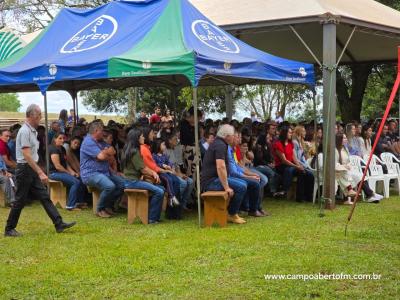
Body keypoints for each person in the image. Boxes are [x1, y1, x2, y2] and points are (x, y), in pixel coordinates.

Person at [4, 104, 76, 237]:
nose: (41, 117)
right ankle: (9, 229)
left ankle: (58, 223)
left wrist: (37, 169)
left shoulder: (32, 130)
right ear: (32, 116)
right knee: (20, 200)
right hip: (25, 169)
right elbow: (26, 155)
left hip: (30, 168)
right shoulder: (25, 131)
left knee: (44, 196)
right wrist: (40, 171)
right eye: (39, 115)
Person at [201, 124, 247, 224]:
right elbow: (220, 166)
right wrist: (226, 187)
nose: (234, 137)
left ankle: (232, 213)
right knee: (241, 186)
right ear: (226, 136)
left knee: (243, 183)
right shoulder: (220, 145)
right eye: (233, 135)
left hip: (214, 179)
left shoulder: (220, 143)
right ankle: (231, 214)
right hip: (210, 182)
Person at [80, 121, 125, 218]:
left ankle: (108, 206)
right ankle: (99, 209)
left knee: (122, 184)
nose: (104, 133)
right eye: (102, 131)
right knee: (110, 186)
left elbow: (113, 150)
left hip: (104, 172)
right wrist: (104, 154)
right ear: (96, 131)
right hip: (90, 173)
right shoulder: (88, 142)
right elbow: (101, 157)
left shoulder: (101, 141)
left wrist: (105, 153)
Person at [122, 128, 165, 224]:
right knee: (159, 191)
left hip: (131, 181)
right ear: (136, 138)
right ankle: (152, 219)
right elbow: (143, 169)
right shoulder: (134, 152)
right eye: (141, 136)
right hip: (132, 182)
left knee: (161, 188)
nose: (143, 137)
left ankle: (153, 216)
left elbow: (142, 168)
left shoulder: (128, 150)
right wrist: (153, 173)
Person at [336, 134, 383, 203]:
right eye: (344, 138)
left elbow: (348, 160)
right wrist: (344, 166)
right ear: (339, 140)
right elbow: (335, 163)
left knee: (360, 175)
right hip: (339, 171)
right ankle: (370, 194)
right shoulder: (335, 150)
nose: (346, 139)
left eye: (346, 138)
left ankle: (370, 195)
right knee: (356, 175)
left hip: (347, 170)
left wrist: (348, 165)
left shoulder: (345, 149)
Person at [273, 126, 314, 202]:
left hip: (291, 165)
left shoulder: (290, 144)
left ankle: (306, 197)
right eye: (289, 132)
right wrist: (296, 166)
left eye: (291, 132)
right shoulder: (278, 144)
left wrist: (299, 166)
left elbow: (294, 157)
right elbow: (284, 160)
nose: (291, 134)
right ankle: (284, 190)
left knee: (307, 174)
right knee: (291, 169)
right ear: (284, 133)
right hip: (281, 166)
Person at [48, 132, 86, 211]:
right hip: (54, 173)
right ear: (55, 139)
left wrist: (73, 172)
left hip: (61, 172)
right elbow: (57, 166)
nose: (62, 140)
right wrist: (69, 173)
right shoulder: (53, 149)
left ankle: (79, 202)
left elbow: (66, 164)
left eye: (63, 138)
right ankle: (70, 206)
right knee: (75, 182)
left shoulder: (62, 149)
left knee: (80, 179)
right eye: (60, 138)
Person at [165, 132, 194, 210]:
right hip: (169, 174)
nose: (177, 141)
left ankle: (182, 204)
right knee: (183, 183)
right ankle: (174, 203)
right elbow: (169, 168)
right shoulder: (165, 151)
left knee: (190, 181)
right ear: (169, 141)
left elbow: (177, 165)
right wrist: (179, 175)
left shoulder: (173, 150)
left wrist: (181, 174)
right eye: (175, 139)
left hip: (176, 173)